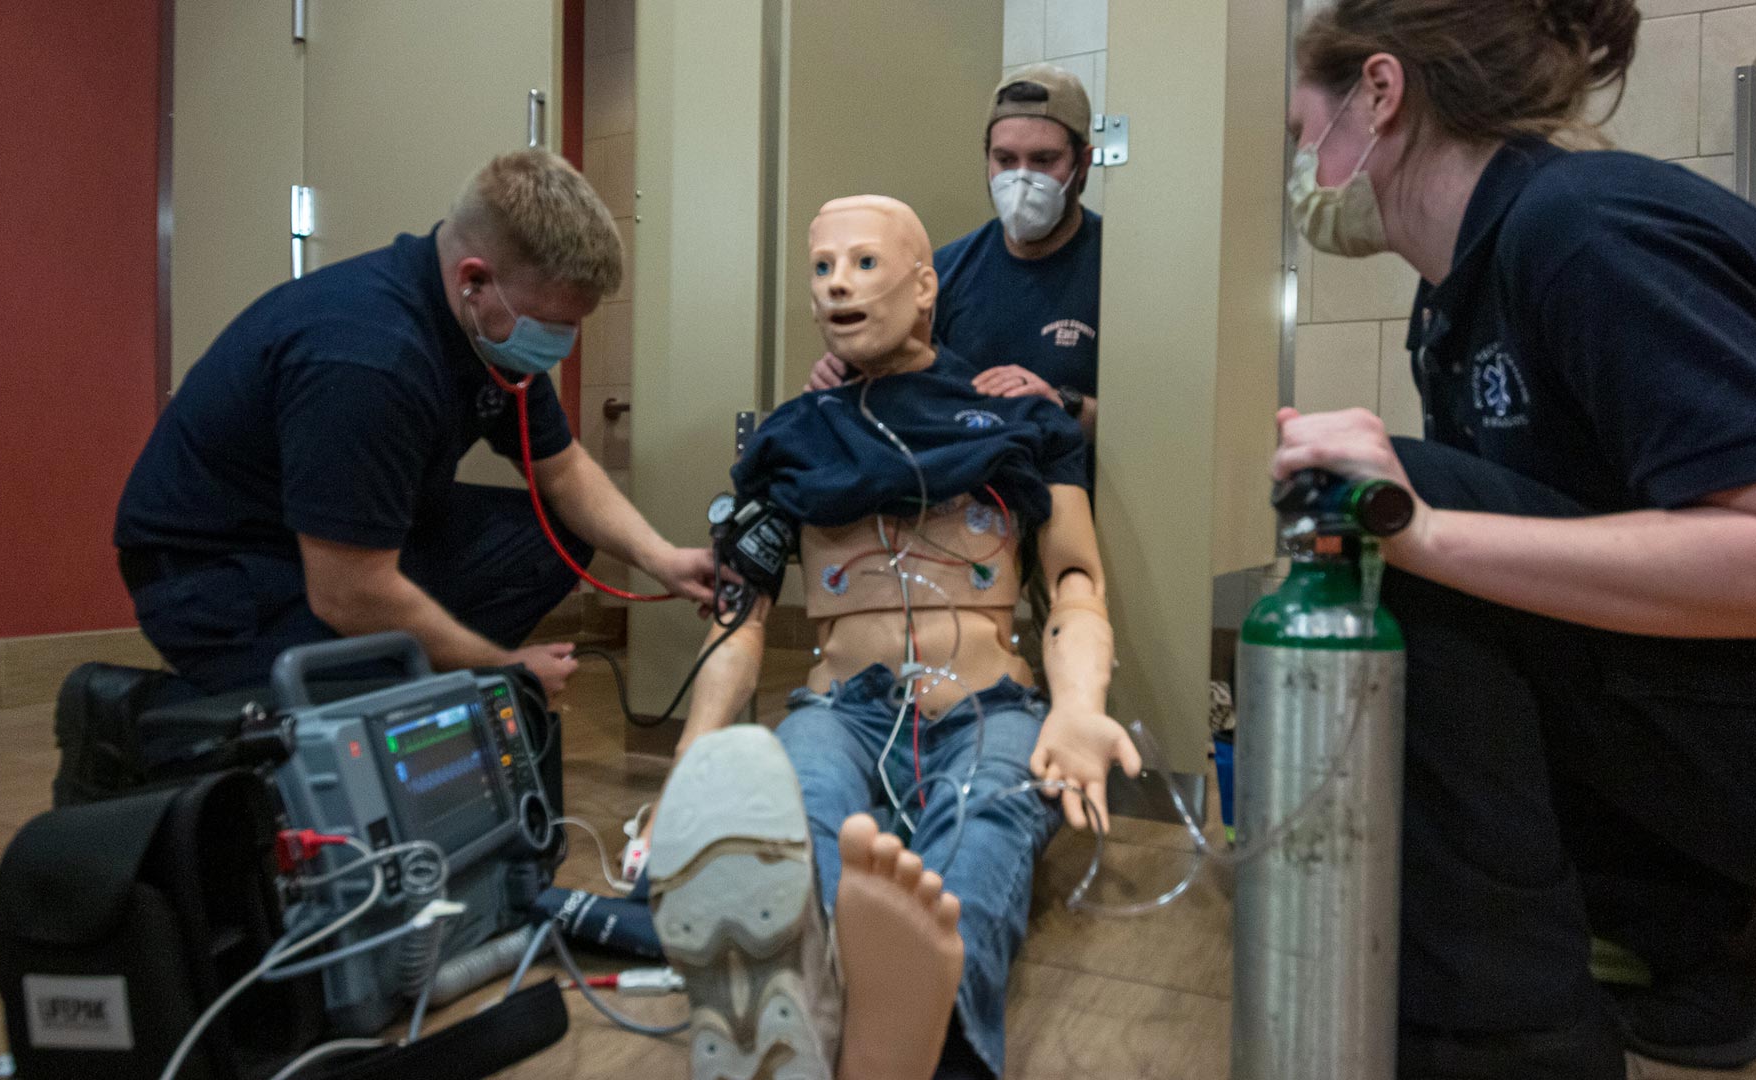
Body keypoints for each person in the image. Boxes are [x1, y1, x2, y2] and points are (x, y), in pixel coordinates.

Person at [1274, 1, 1756, 1076]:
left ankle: (1503, 1043)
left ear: (1380, 94)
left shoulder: (1581, 227)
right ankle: (1691, 928)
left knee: (1405, 518)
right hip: (1754, 731)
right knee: (1437, 541)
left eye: (1306, 132)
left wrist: (1418, 527)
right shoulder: (1457, 301)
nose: (1304, 167)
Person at [642, 195, 1140, 1080]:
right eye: (823, 267)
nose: (839, 284)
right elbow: (741, 614)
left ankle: (896, 1022)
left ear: (923, 286)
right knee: (798, 809)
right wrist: (692, 759)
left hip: (988, 704)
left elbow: (1075, 582)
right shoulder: (792, 439)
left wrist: (1078, 707)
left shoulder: (1020, 419)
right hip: (840, 707)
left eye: (864, 263)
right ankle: (860, 1009)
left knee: (982, 822)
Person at [114, 150, 713, 696]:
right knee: (365, 694)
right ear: (473, 279)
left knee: (548, 537)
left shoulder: (483, 332)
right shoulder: (369, 358)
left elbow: (563, 469)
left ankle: (409, 678)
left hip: (335, 552)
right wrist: (501, 667)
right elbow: (349, 592)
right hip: (214, 578)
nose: (561, 345)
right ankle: (208, 709)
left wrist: (662, 558)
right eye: (548, 322)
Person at [808, 65, 1102, 447]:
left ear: (1083, 164)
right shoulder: (943, 272)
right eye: (1005, 160)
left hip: (1076, 494)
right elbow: (905, 389)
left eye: (1044, 160)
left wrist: (1064, 405)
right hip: (961, 495)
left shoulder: (1116, 270)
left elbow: (1159, 425)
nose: (1022, 179)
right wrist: (849, 373)